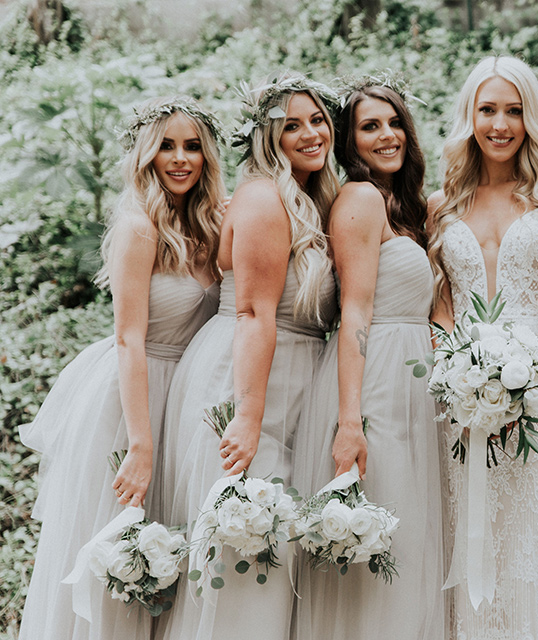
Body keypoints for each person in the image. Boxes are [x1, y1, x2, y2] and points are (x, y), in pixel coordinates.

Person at [18, 96, 225, 640]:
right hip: (133, 397)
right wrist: (141, 443)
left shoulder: (212, 225)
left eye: (192, 146)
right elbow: (129, 340)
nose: (180, 158)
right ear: (146, 155)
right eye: (166, 146)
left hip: (186, 397)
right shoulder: (139, 228)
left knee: (167, 555)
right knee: (122, 550)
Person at [158, 73, 339, 640]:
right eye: (292, 126)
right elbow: (254, 313)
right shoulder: (264, 198)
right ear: (269, 137)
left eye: (317, 120)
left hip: (286, 376)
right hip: (251, 377)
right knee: (247, 539)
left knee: (268, 540)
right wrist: (248, 415)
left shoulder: (307, 197)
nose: (310, 133)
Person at [427, 55, 538, 639]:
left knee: (534, 543)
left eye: (514, 111)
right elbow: (439, 303)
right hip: (459, 396)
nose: (500, 124)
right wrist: (460, 377)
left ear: (530, 118)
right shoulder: (440, 202)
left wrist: (528, 386)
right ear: (469, 115)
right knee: (472, 535)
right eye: (487, 109)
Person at [291, 73, 444, 640]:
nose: (387, 136)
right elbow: (353, 313)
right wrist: (349, 422)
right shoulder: (358, 198)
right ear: (348, 141)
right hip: (376, 377)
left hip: (411, 382)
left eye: (394, 123)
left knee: (409, 532)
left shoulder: (406, 205)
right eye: (369, 127)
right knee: (385, 529)